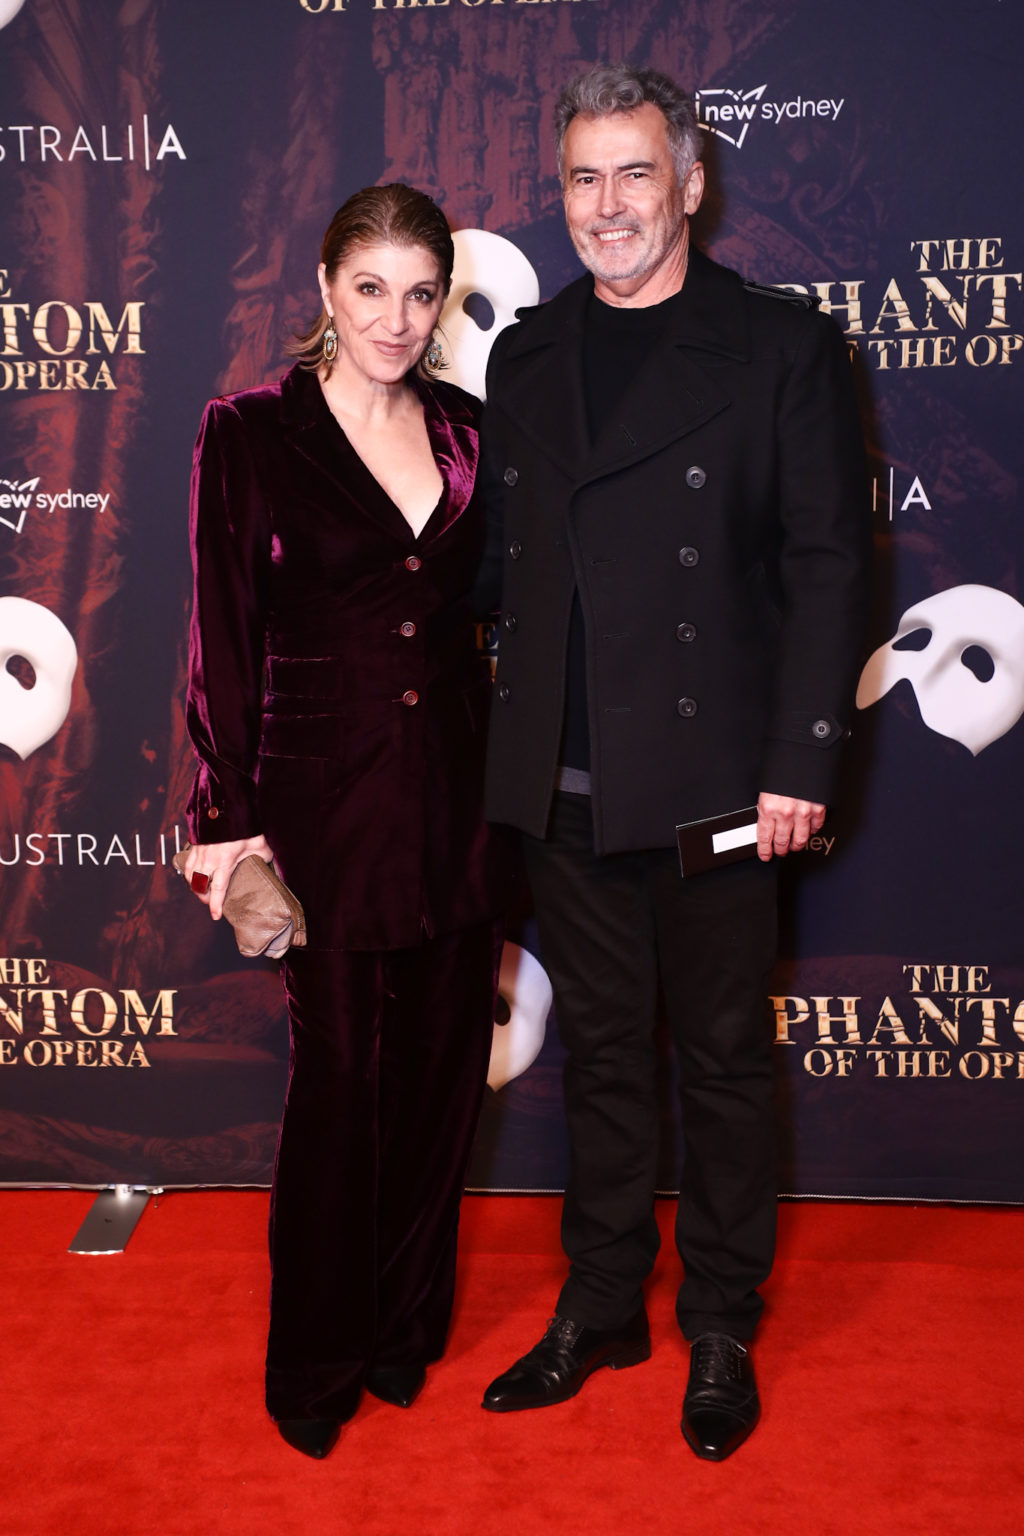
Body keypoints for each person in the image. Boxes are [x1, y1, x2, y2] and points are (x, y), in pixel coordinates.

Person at [477, 65, 870, 1460]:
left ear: (691, 183)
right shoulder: (526, 353)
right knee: (599, 1058)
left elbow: (827, 568)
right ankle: (600, 1303)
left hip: (719, 781)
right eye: (582, 177)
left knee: (719, 1060)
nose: (607, 205)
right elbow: (502, 566)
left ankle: (718, 1320)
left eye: (634, 172)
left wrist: (800, 760)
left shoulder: (781, 347)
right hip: (565, 779)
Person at [183, 184, 504, 1461]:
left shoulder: (472, 433)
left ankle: (403, 1329)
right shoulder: (252, 430)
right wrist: (228, 830)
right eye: (370, 288)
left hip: (460, 806)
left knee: (439, 1080)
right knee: (336, 1089)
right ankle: (317, 1357)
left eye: (420, 293)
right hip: (320, 817)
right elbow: (220, 638)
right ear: (325, 287)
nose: (395, 318)